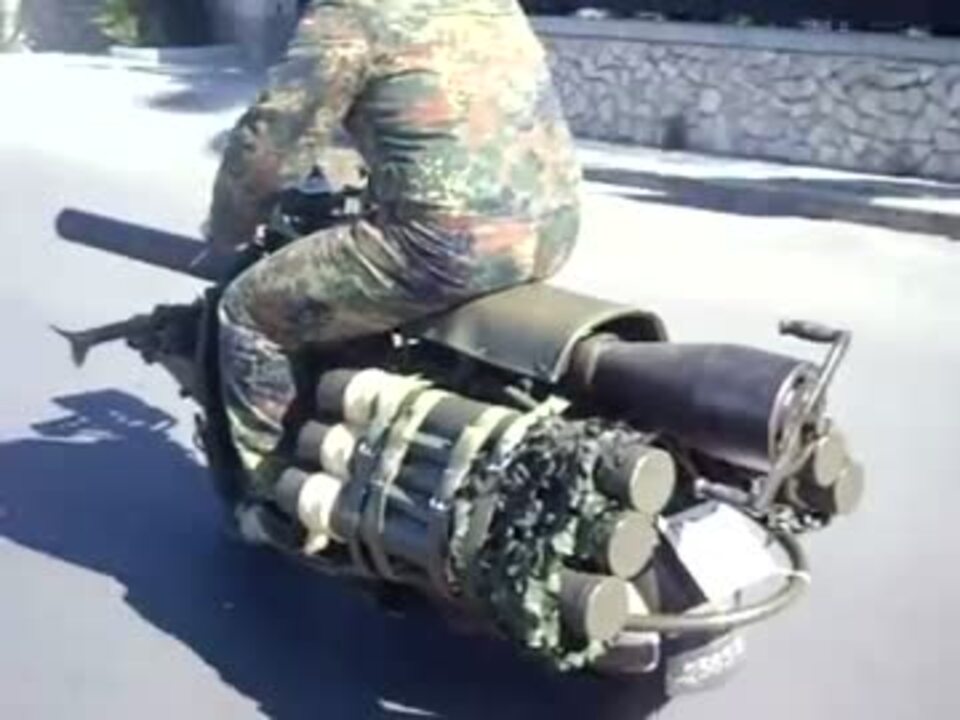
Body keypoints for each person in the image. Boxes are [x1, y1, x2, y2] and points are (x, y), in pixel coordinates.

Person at [205, 0, 581, 498]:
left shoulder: (354, 12)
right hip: (553, 229)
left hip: (446, 246)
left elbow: (274, 143)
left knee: (249, 313)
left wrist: (228, 226)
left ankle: (268, 496)